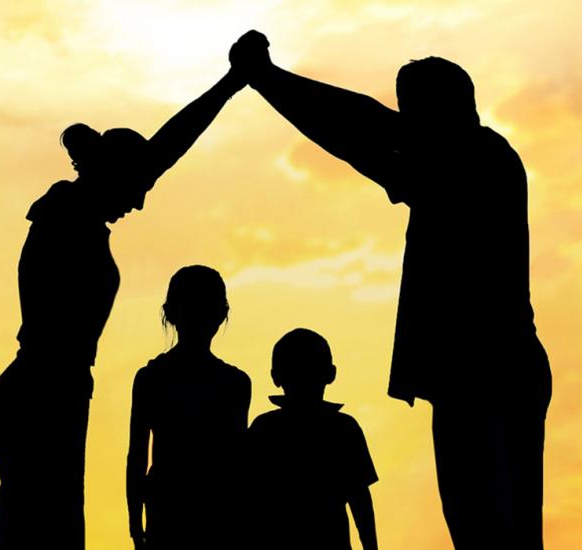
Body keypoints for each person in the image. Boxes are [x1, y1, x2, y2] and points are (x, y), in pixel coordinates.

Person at [228, 31, 553, 550]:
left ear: (442, 109)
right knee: (493, 528)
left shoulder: (466, 161)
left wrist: (267, 79)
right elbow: (367, 127)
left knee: (489, 527)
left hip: (486, 370)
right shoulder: (481, 156)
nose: (403, 125)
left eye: (411, 112)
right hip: (489, 369)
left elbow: (360, 129)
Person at [0, 69, 247, 550]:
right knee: (44, 528)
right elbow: (158, 156)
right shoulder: (63, 216)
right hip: (41, 390)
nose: (142, 202)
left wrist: (231, 84)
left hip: (54, 388)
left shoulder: (75, 214)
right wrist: (231, 84)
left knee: (55, 525)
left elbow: (164, 151)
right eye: (138, 187)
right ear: (113, 177)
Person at [127, 265, 254, 550]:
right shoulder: (235, 383)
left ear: (170, 314)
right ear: (222, 316)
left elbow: (137, 459)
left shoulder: (151, 378)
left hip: (170, 516)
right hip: (217, 519)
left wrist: (136, 528)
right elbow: (239, 468)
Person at [246, 328, 380, 550]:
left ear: (275, 377)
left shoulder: (264, 429)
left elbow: (248, 500)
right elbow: (360, 500)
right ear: (331, 373)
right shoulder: (344, 429)